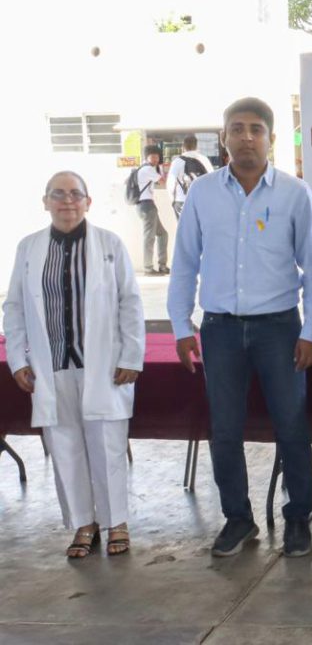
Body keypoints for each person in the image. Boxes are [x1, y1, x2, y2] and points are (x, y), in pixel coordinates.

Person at [167, 97, 312, 558]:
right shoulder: (203, 193)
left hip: (279, 329)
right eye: (236, 129)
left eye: (255, 129)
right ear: (223, 138)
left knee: (291, 425)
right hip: (219, 330)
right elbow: (184, 263)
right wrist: (181, 325)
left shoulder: (294, 193)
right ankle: (238, 519)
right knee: (225, 430)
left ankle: (297, 517)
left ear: (271, 139)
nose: (246, 137)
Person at [4, 171, 144, 558]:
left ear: (88, 201)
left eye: (75, 194)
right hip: (51, 366)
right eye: (58, 194)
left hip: (103, 365)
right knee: (64, 447)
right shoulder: (29, 248)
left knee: (107, 445)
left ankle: (116, 522)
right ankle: (84, 523)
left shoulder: (109, 244)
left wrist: (131, 355)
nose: (67, 201)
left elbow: (130, 302)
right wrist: (17, 358)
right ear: (45, 202)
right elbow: (14, 307)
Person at [135, 145, 169, 275]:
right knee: (149, 237)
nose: (156, 159)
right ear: (146, 157)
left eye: (157, 157)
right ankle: (148, 268)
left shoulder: (141, 168)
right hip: (147, 206)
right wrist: (162, 171)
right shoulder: (148, 169)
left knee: (162, 234)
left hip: (145, 206)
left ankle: (162, 266)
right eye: (153, 157)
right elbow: (162, 181)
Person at [166, 134, 212, 219]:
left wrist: (172, 200)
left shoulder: (177, 161)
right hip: (201, 200)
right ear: (196, 146)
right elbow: (212, 180)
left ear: (183, 147)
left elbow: (171, 183)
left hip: (182, 200)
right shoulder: (204, 160)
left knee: (184, 226)